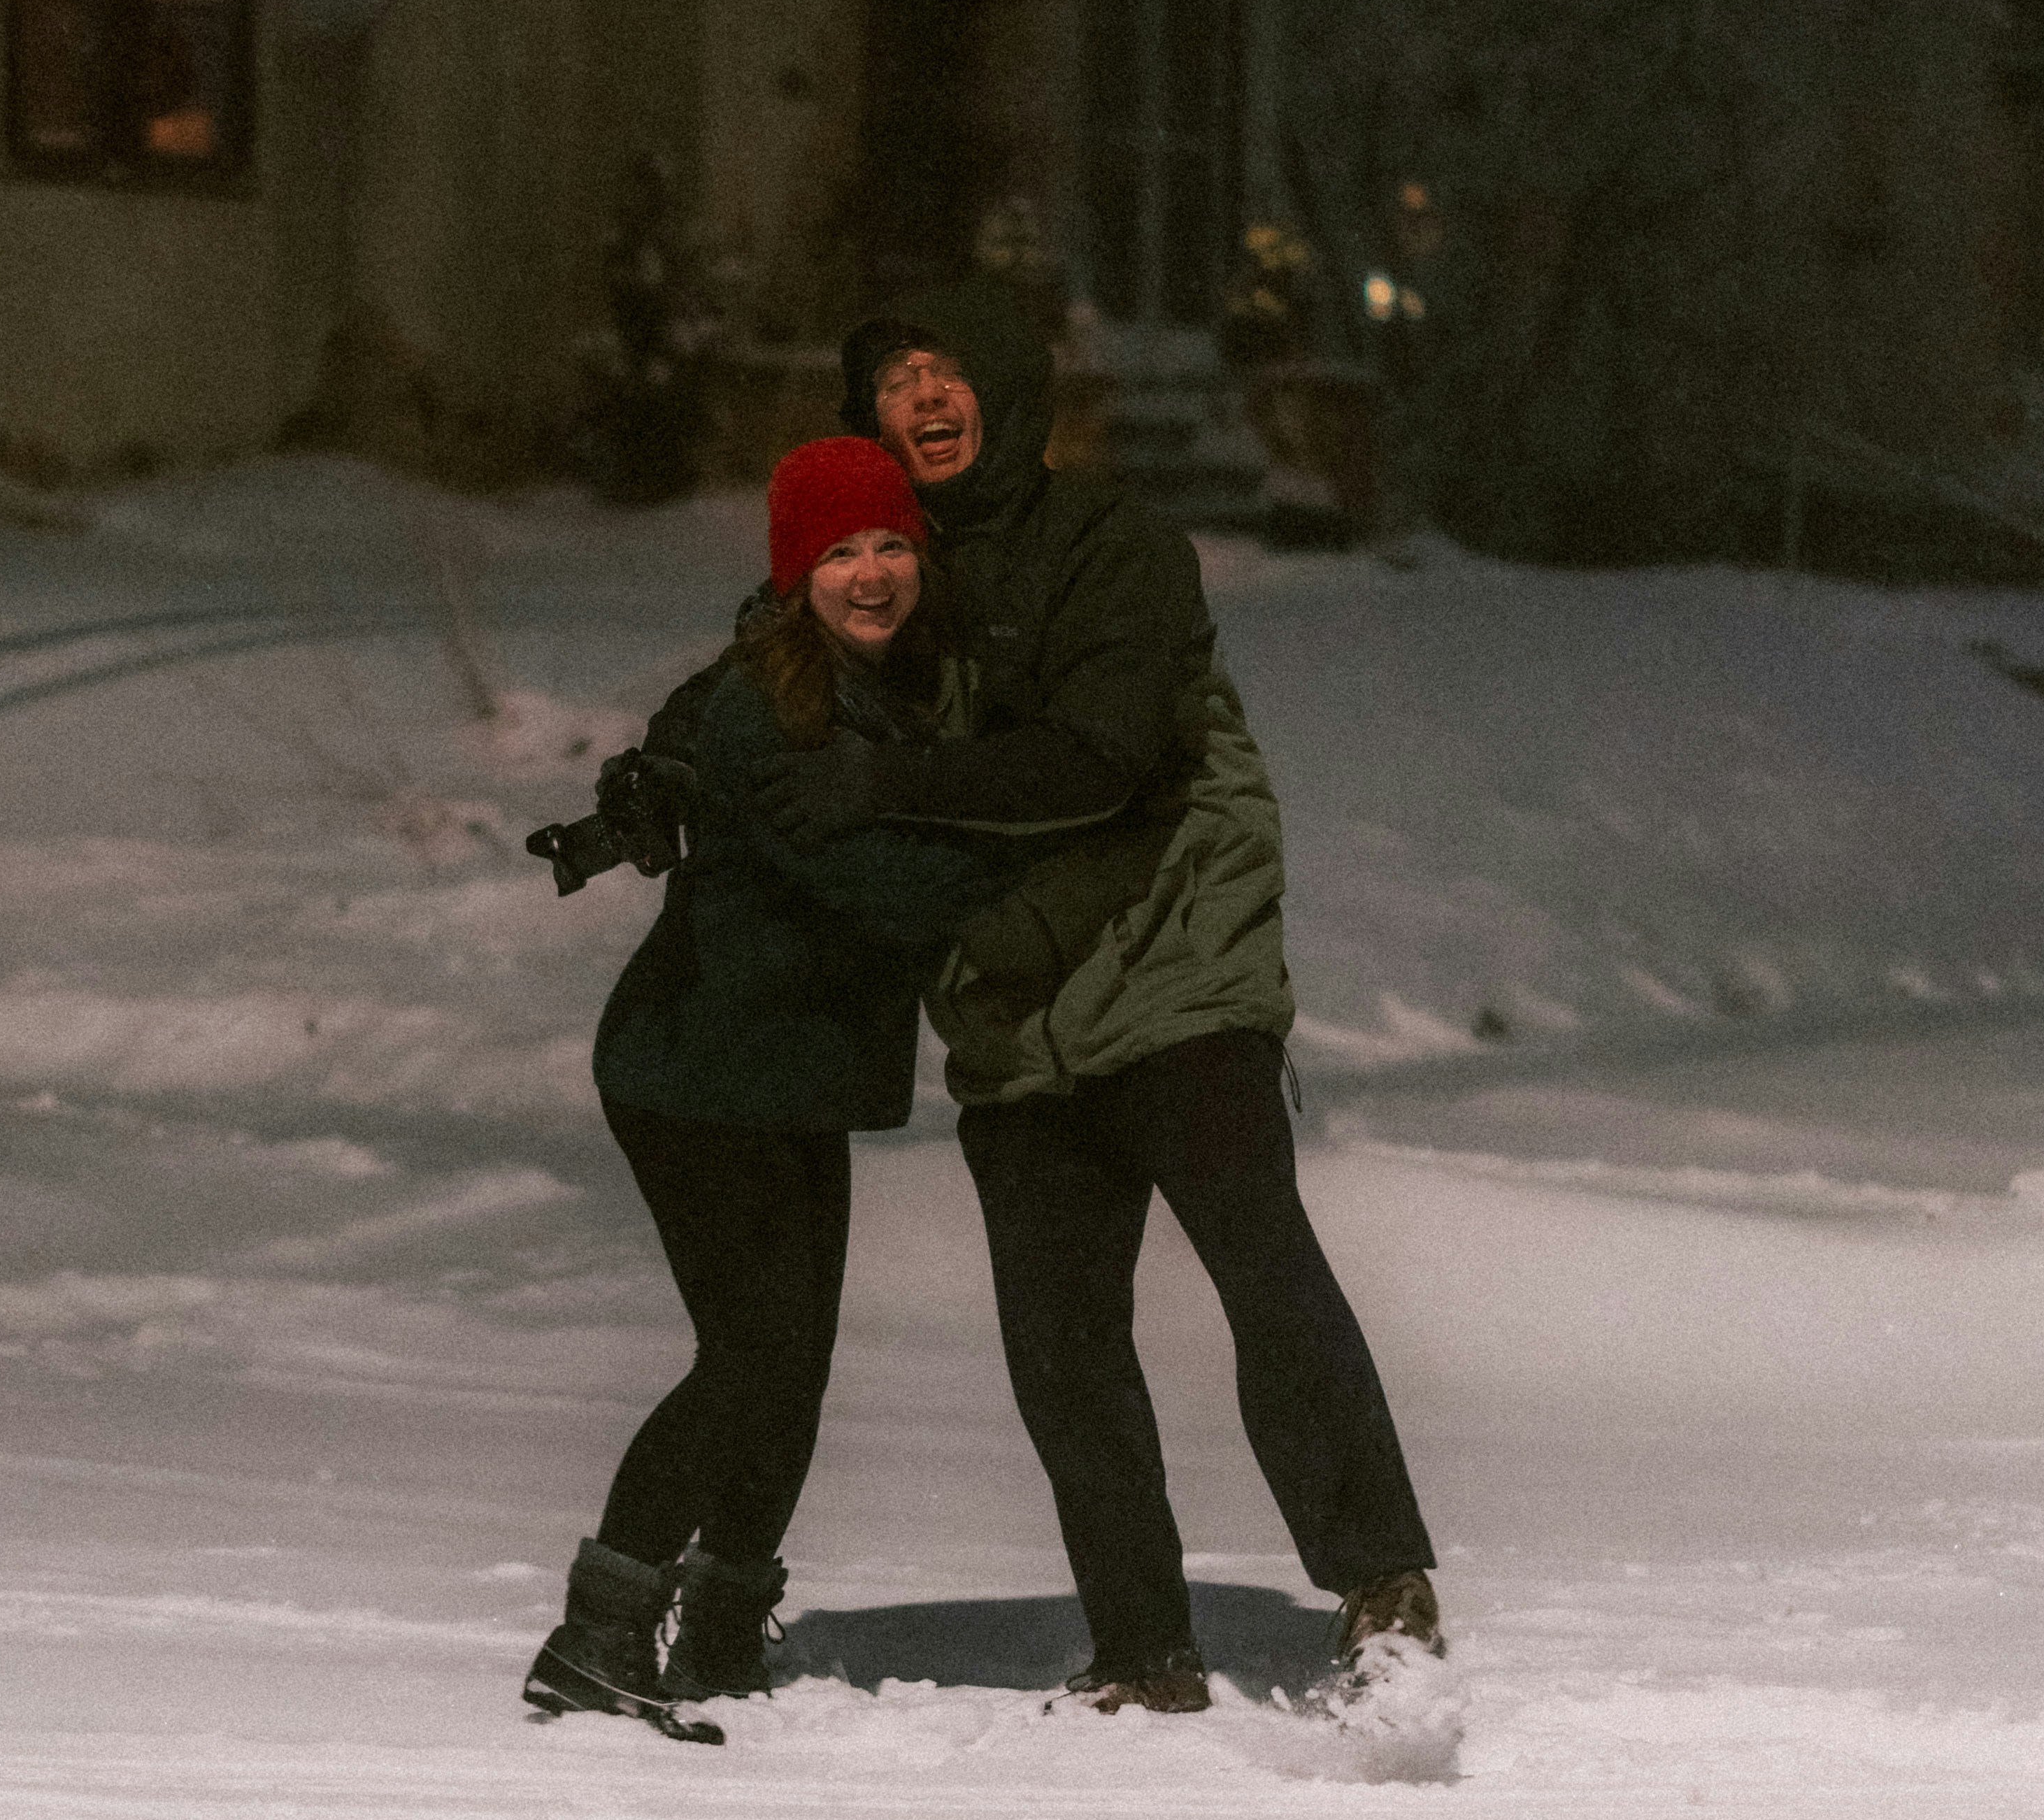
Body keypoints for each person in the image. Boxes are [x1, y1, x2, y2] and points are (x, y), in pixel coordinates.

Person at [728, 271, 1443, 1720]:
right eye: (891, 380)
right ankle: (1140, 1653)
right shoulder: (883, 573)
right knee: (1061, 1349)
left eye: (943, 367)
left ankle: (1384, 1593)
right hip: (1013, 1013)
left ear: (1005, 380)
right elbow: (778, 714)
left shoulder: (1113, 548)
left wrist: (891, 788)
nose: (919, 398)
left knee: (1264, 1276)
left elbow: (1100, 761)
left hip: (1171, 970)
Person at [523, 438, 1018, 1740]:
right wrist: (1042, 880)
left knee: (791, 1371)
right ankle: (599, 1633)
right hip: (695, 1072)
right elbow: (874, 880)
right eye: (839, 553)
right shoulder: (768, 708)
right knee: (751, 1361)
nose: (871, 574)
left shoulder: (904, 688)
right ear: (796, 575)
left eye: (891, 545)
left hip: (788, 1076)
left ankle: (724, 1628)